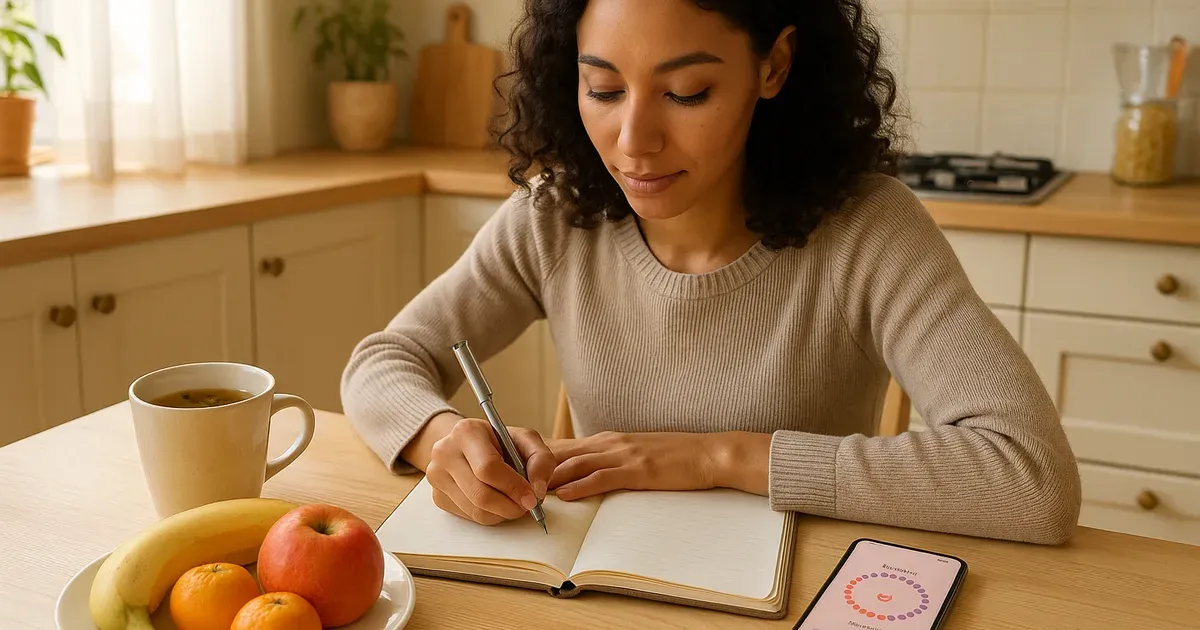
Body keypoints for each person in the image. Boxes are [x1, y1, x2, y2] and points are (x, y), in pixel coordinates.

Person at [340, 0, 1082, 545]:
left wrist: (712, 456)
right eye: (602, 89)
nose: (633, 142)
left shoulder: (868, 229)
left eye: (686, 93)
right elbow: (384, 360)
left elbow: (1030, 477)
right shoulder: (555, 217)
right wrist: (442, 437)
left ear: (774, 65)